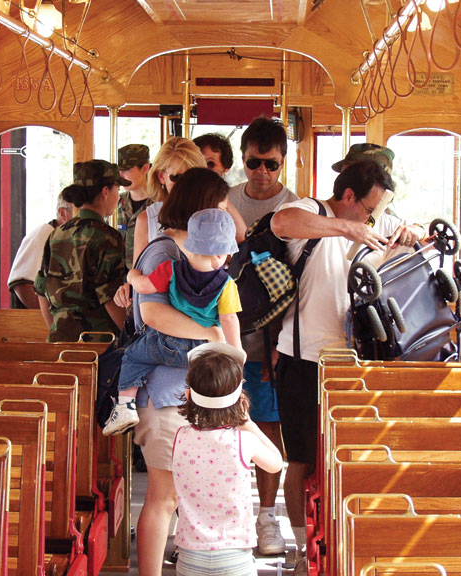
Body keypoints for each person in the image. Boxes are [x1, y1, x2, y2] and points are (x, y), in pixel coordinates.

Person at [270, 159, 427, 574]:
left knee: (351, 458)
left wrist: (409, 233)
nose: (373, 219)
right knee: (301, 459)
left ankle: (345, 544)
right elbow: (282, 222)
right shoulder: (313, 211)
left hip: (354, 361)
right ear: (349, 197)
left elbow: (412, 236)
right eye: (368, 210)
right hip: (302, 358)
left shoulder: (372, 221)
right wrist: (347, 228)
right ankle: (304, 548)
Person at [126, 167, 235, 576]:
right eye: (221, 207)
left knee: (182, 493)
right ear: (202, 209)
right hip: (165, 391)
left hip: (184, 390)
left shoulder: (195, 254)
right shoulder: (166, 252)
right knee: (164, 496)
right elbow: (153, 314)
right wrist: (210, 334)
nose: (225, 215)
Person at [104, 206, 242, 436]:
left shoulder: (170, 269)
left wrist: (131, 275)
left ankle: (124, 406)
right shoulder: (227, 285)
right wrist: (236, 350)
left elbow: (143, 286)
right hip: (202, 351)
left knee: (132, 356)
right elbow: (229, 319)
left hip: (166, 343)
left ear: (190, 245)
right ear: (222, 255)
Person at [227, 115, 299, 556]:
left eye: (271, 164)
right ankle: (226, 513)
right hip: (223, 337)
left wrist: (280, 343)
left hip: (273, 341)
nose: (262, 172)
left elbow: (299, 285)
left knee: (268, 428)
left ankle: (267, 517)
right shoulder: (225, 201)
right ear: (244, 159)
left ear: (283, 163)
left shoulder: (296, 209)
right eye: (255, 162)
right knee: (219, 428)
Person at [172, 342, 284, 576]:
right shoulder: (244, 441)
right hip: (235, 557)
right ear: (239, 399)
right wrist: (249, 423)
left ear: (188, 395)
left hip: (190, 555)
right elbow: (275, 463)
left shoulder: (180, 437)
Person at [34, 160, 129, 342]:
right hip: (100, 342)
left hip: (60, 341)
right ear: (105, 191)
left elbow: (41, 289)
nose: (118, 197)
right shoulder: (108, 237)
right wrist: (129, 338)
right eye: (117, 190)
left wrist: (56, 329)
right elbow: (110, 298)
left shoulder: (57, 234)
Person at [7, 192, 74, 308]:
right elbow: (22, 285)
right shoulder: (44, 234)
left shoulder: (66, 240)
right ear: (63, 213)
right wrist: (49, 318)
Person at [115, 143, 152, 269]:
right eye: (119, 171)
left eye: (127, 170)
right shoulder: (117, 203)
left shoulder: (160, 205)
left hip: (148, 279)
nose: (121, 176)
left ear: (145, 168)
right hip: (121, 281)